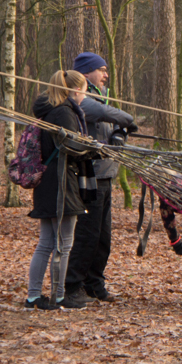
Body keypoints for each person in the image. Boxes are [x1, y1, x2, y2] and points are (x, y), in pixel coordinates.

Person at [63, 52, 136, 306]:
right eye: (101, 69)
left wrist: (119, 133)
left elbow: (113, 121)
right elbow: (103, 112)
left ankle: (94, 283)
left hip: (107, 175)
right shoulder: (80, 97)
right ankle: (72, 285)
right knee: (87, 235)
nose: (106, 74)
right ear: (86, 72)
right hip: (89, 176)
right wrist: (126, 120)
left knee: (103, 237)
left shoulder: (100, 94)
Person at [25, 70, 93, 310]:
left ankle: (34, 296)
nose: (85, 95)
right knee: (63, 242)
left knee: (47, 242)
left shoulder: (49, 110)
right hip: (60, 181)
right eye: (84, 90)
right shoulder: (64, 112)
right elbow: (72, 146)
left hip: (49, 181)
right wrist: (93, 149)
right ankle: (59, 295)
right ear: (75, 91)